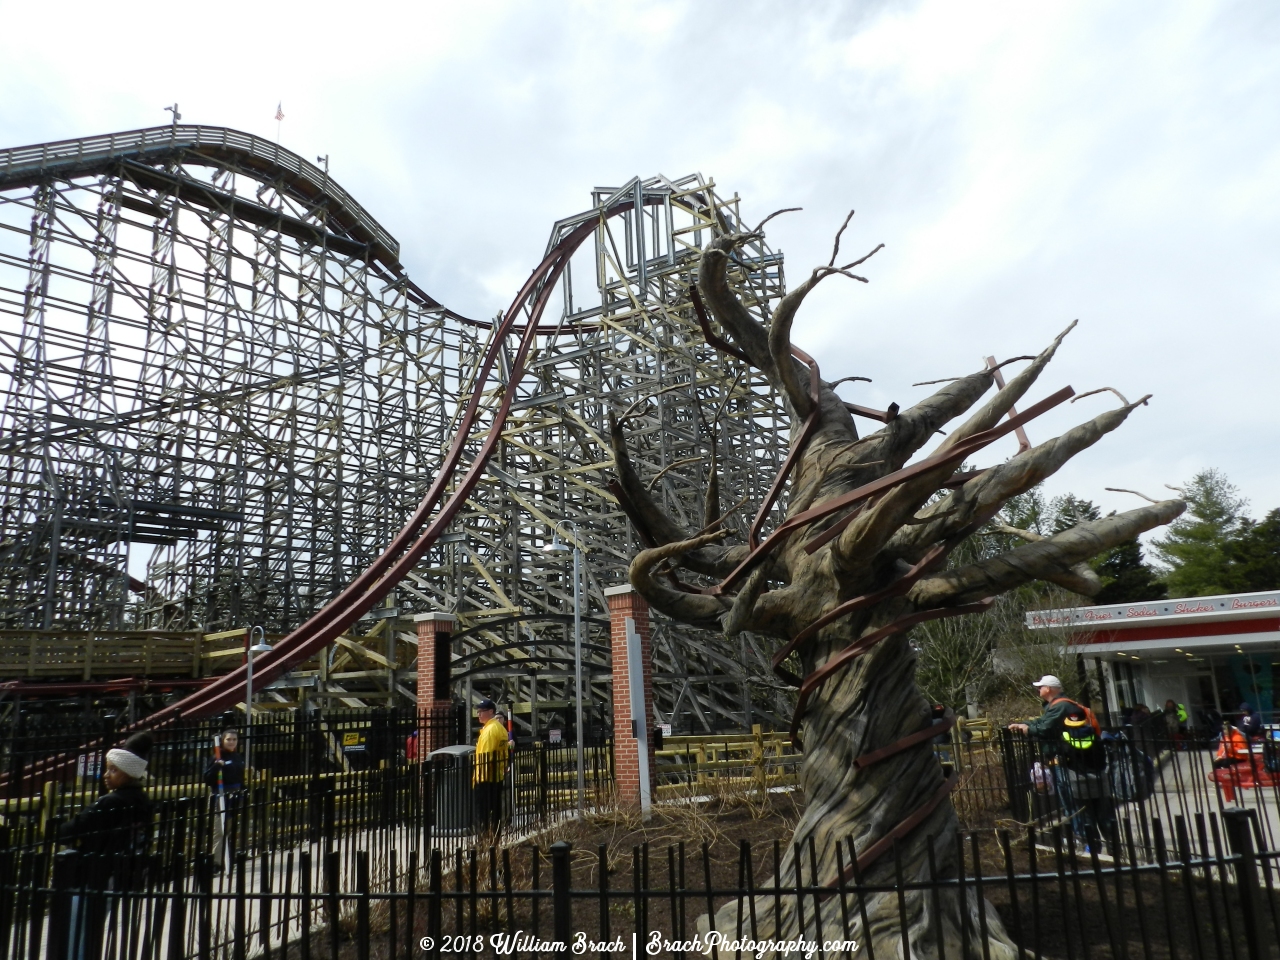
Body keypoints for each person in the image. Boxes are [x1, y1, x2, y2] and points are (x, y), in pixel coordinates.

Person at [58, 733, 154, 960]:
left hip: (95, 873)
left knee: (75, 933)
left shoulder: (111, 802)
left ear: (129, 773)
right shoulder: (143, 801)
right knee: (91, 930)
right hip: (121, 875)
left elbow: (70, 830)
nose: (106, 775)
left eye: (113, 770)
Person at [1008, 675, 1105, 850]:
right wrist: (1025, 724)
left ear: (1050, 688)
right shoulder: (1056, 706)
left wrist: (1028, 729)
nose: (1038, 690)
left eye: (1041, 687)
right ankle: (1086, 840)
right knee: (1074, 803)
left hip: (1066, 761)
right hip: (1066, 761)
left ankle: (1085, 841)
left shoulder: (1061, 706)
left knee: (1072, 803)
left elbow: (1045, 728)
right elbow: (1043, 722)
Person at [203, 729, 245, 870]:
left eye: (234, 739)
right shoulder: (216, 757)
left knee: (230, 829)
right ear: (222, 741)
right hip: (220, 794)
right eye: (228, 739)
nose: (231, 742)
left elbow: (240, 776)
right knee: (219, 829)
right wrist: (217, 766)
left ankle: (228, 858)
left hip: (235, 795)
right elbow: (208, 779)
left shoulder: (237, 757)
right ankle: (216, 861)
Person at [473, 699, 509, 833]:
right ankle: (494, 836)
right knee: (495, 809)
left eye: (481, 711)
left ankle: (485, 839)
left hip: (485, 777)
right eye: (478, 711)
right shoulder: (500, 728)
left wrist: (479, 777)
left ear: (491, 711)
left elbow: (485, 756)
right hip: (497, 775)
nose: (478, 714)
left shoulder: (489, 730)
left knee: (483, 812)